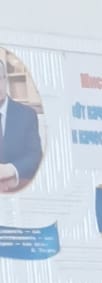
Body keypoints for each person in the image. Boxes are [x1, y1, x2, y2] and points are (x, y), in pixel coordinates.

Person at [0, 59, 44, 192]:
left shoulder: (27, 115)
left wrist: (11, 169)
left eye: (0, 79)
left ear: (5, 80)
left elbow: (35, 156)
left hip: (18, 191)